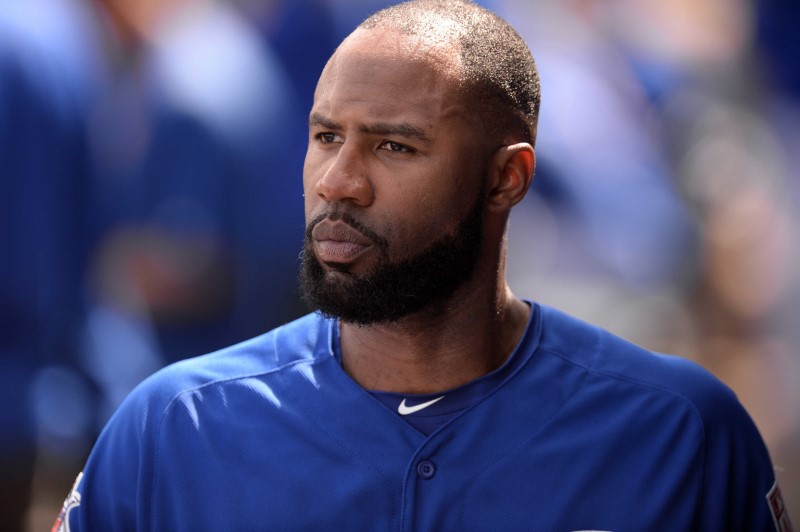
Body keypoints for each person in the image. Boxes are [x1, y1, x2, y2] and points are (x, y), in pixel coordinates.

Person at [55, 1, 791, 530]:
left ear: (508, 178)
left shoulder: (678, 434)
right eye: (325, 136)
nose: (337, 181)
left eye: (394, 146)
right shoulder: (172, 427)